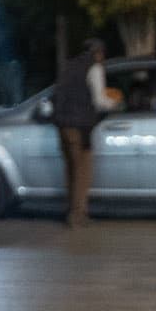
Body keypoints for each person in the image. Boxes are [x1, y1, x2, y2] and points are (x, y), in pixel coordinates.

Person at [50, 37, 115, 227]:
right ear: (97, 52)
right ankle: (78, 215)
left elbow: (57, 95)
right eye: (102, 53)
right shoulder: (94, 68)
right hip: (81, 127)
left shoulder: (69, 67)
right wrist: (116, 103)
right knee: (82, 171)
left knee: (71, 169)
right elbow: (100, 101)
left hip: (63, 125)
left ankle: (72, 211)